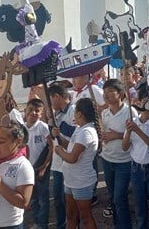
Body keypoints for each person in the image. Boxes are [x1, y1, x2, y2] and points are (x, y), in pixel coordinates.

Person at [55, 98, 100, 229]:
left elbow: (72, 157)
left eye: (75, 111)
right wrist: (59, 136)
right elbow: (70, 146)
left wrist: (58, 151)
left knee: (85, 217)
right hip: (71, 180)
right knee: (71, 215)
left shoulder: (87, 132)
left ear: (79, 113)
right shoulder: (80, 129)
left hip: (82, 181)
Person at [122, 89, 149, 229]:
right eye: (145, 102)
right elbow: (125, 147)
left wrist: (137, 130)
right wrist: (128, 131)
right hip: (136, 168)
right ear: (139, 103)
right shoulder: (133, 121)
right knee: (139, 206)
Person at [100, 79, 136, 228]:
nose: (106, 95)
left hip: (124, 161)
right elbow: (103, 134)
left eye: (110, 92)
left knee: (119, 197)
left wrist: (117, 135)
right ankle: (117, 224)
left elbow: (135, 136)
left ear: (120, 94)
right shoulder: (104, 113)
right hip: (107, 159)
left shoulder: (130, 112)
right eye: (104, 92)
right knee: (113, 197)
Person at [49, 83, 75, 229]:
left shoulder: (73, 111)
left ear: (57, 97)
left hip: (69, 162)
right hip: (57, 163)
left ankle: (72, 224)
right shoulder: (54, 113)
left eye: (51, 100)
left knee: (69, 199)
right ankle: (61, 225)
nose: (51, 104)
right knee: (58, 198)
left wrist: (60, 128)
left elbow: (77, 134)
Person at [25, 98, 53, 229]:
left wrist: (45, 165)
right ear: (25, 111)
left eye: (37, 111)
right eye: (30, 110)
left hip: (41, 167)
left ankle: (43, 224)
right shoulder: (23, 128)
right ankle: (37, 220)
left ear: (41, 113)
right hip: (29, 168)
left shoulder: (43, 127)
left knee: (43, 197)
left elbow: (51, 147)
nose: (33, 113)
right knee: (34, 196)